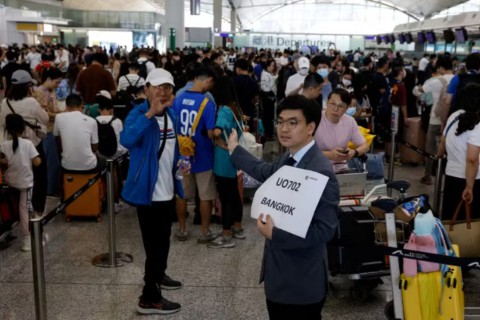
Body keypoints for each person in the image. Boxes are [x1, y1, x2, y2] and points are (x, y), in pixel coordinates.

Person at [227, 94, 339, 320]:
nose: (284, 129)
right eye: (280, 121)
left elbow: (325, 229)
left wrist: (275, 235)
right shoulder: (289, 158)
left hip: (301, 284)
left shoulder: (320, 170)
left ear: (310, 127)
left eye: (292, 122)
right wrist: (235, 150)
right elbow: (264, 172)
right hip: (279, 277)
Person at [120, 68, 183, 315]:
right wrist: (149, 113)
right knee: (154, 246)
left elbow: (175, 149)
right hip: (148, 194)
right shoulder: (137, 114)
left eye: (167, 86)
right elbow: (126, 139)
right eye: (158, 86)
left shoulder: (172, 115)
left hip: (167, 190)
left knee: (163, 241)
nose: (163, 91)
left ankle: (159, 275)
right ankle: (149, 298)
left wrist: (182, 165)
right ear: (146, 88)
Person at [172, 66, 218, 243]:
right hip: (203, 157)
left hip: (184, 155)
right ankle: (205, 232)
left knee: (182, 193)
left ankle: (182, 229)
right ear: (208, 80)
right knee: (205, 196)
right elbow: (209, 133)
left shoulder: (179, 98)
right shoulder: (207, 103)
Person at [0, 70, 48, 217]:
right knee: (40, 176)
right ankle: (38, 211)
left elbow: (3, 123)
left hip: (12, 144)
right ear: (28, 86)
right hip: (33, 144)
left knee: (15, 176)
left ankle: (17, 211)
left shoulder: (5, 102)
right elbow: (45, 119)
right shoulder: (31, 102)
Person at [209, 76, 245, 249]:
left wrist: (214, 135)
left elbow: (218, 129)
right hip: (233, 158)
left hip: (223, 160)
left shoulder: (223, 110)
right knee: (234, 194)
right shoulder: (235, 108)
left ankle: (226, 234)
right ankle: (237, 227)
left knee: (226, 197)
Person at [437, 83, 480, 221]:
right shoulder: (478, 124)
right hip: (472, 180)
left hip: (451, 177)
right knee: (469, 223)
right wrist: (469, 187)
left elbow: (443, 141)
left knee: (450, 218)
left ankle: (448, 242)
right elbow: (472, 159)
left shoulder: (454, 116)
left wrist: (438, 155)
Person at [1, 114, 42, 251]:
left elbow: (3, 161)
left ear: (7, 128)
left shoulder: (3, 145)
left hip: (10, 182)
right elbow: (37, 162)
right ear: (23, 128)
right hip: (25, 183)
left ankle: (28, 216)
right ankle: (27, 239)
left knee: (18, 205)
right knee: (24, 208)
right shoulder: (28, 143)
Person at [314, 88, 369, 172]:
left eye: (340, 106)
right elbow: (304, 151)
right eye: (333, 103)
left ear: (347, 108)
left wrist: (354, 153)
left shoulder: (349, 121)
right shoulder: (315, 119)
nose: (335, 109)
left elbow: (365, 146)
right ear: (327, 102)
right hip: (316, 168)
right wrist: (329, 155)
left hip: (340, 169)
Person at [53, 94, 98, 172]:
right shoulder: (92, 121)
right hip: (89, 165)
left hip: (67, 164)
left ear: (66, 106)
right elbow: (95, 148)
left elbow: (57, 140)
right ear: (82, 106)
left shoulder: (58, 117)